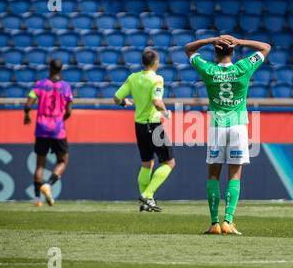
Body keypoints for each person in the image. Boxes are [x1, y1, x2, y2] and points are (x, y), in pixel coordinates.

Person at [184, 35, 271, 235]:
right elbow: (265, 46)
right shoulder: (243, 68)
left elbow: (188, 49)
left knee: (213, 174)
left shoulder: (209, 69)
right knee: (235, 175)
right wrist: (240, 41)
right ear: (232, 52)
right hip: (238, 126)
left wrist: (210, 39)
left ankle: (214, 223)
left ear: (215, 52)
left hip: (216, 127)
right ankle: (228, 221)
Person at [113, 49, 175, 212]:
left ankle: (146, 202)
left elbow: (116, 97)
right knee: (169, 162)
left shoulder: (132, 78)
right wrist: (165, 113)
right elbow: (156, 101)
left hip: (139, 126)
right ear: (155, 63)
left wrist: (123, 102)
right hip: (153, 125)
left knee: (147, 164)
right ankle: (147, 194)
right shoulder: (157, 79)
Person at [24, 59, 73, 207]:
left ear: (50, 68)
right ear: (61, 69)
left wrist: (27, 115)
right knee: (63, 161)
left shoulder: (40, 84)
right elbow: (69, 111)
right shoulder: (65, 87)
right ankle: (49, 184)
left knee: (40, 163)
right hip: (57, 129)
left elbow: (28, 104)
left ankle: (37, 199)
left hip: (41, 129)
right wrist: (61, 119)